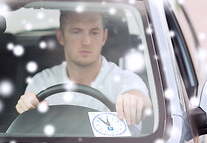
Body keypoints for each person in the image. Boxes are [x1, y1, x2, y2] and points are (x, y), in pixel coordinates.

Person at [15, 11, 151, 126]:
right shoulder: (42, 81)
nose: (86, 42)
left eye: (94, 32)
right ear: (61, 37)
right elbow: (29, 129)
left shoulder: (124, 79)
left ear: (104, 37)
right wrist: (27, 106)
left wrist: (134, 103)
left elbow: (140, 99)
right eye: (76, 32)